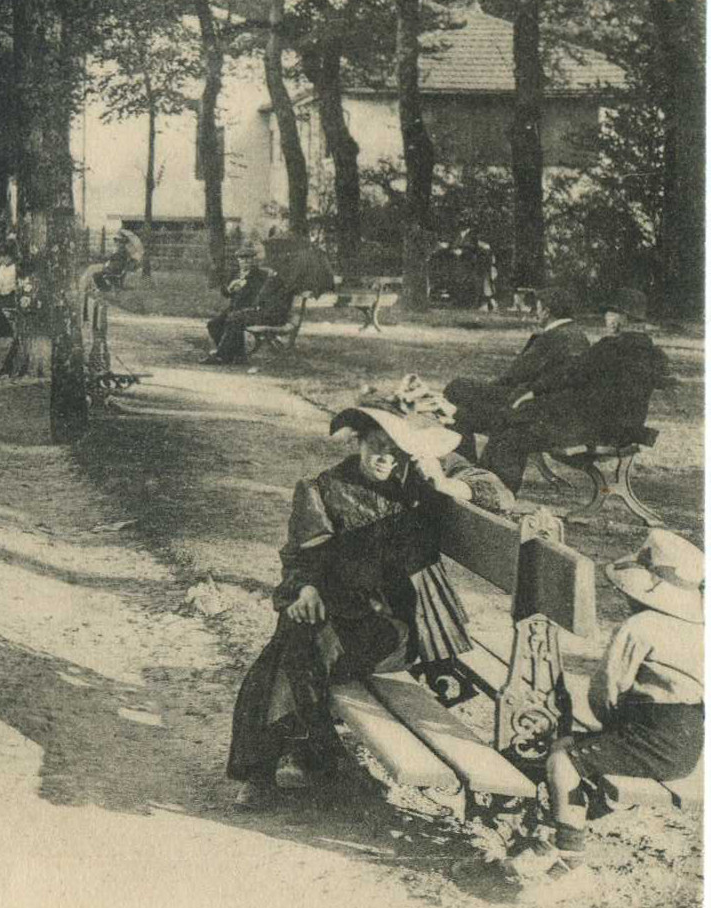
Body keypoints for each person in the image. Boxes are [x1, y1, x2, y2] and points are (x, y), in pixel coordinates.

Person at [227, 398, 514, 800]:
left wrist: (447, 483)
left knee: (297, 642)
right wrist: (306, 587)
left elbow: (500, 492)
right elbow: (302, 555)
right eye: (376, 444)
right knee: (301, 630)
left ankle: (286, 765)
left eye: (396, 448)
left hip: (402, 626)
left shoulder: (419, 477)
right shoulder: (327, 488)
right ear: (358, 441)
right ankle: (311, 759)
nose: (385, 456)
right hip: (340, 616)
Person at [534, 530, 703, 877]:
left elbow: (604, 692)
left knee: (563, 758)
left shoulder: (639, 626)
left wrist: (609, 725)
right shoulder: (700, 629)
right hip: (687, 743)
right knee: (577, 749)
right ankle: (563, 836)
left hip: (649, 736)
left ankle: (570, 860)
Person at [479, 288, 671, 493]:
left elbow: (571, 374)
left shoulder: (610, 348)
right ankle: (487, 486)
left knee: (513, 431)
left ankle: (495, 494)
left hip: (594, 430)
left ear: (619, 318)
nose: (606, 319)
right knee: (517, 422)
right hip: (622, 430)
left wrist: (533, 392)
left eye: (608, 313)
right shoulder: (653, 354)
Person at [442, 285, 591, 466]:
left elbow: (516, 375)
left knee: (456, 389)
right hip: (558, 411)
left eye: (536, 307)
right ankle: (467, 465)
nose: (534, 312)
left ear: (546, 311)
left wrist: (490, 390)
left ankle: (463, 465)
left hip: (530, 409)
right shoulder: (579, 336)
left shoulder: (552, 337)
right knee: (458, 413)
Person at [203, 244, 291, 366]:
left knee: (234, 320)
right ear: (238, 260)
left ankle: (223, 356)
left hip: (249, 308)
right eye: (242, 258)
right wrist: (230, 288)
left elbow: (261, 295)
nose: (245, 261)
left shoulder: (260, 275)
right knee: (213, 324)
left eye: (248, 258)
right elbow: (226, 292)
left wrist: (244, 287)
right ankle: (234, 354)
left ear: (253, 260)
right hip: (234, 308)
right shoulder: (235, 274)